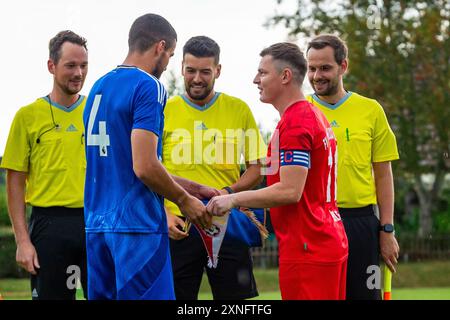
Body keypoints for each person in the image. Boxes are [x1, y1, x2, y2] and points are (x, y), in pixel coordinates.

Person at [83, 14, 215, 300]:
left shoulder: (97, 88)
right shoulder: (148, 86)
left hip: (96, 226)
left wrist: (193, 187)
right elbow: (144, 166)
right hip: (137, 227)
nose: (167, 64)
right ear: (160, 46)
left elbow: (124, 163)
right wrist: (184, 200)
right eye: (169, 55)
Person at [207, 42, 348, 300]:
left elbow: (290, 190)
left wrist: (232, 199)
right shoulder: (311, 113)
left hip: (308, 246)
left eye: (263, 73)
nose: (255, 80)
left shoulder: (296, 121)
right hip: (323, 238)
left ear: (285, 76)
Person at [163, 36, 267, 300]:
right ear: (182, 68)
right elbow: (148, 171)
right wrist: (164, 214)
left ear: (218, 71)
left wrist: (229, 192)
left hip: (226, 225)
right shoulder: (162, 109)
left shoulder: (239, 109)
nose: (197, 78)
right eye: (191, 70)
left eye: (205, 72)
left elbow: (257, 169)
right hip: (177, 226)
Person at [306, 34, 400, 300]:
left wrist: (387, 229)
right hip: (317, 223)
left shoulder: (370, 110)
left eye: (325, 68)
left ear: (343, 66)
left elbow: (383, 175)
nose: (316, 75)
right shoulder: (300, 110)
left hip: (362, 224)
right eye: (311, 68)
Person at [0, 30, 89, 300]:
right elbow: (15, 183)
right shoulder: (27, 117)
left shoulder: (98, 112)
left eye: (84, 65)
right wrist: (22, 241)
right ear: (51, 66)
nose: (79, 73)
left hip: (95, 222)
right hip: (49, 226)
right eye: (71, 65)